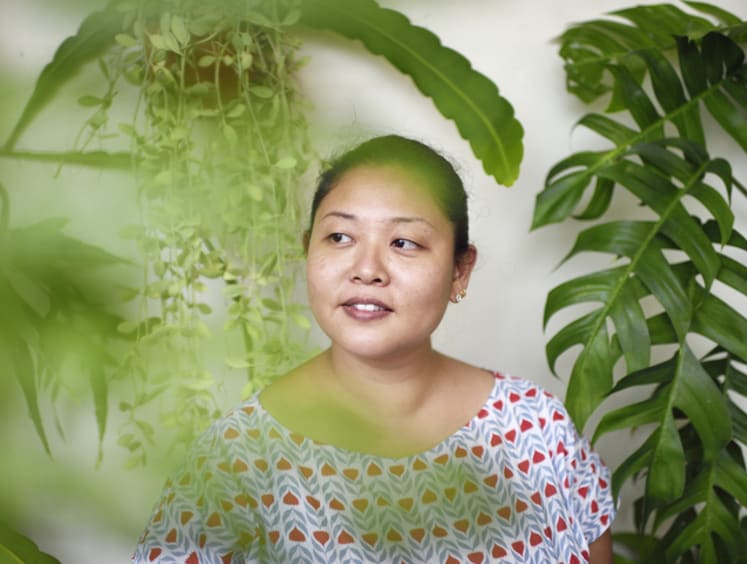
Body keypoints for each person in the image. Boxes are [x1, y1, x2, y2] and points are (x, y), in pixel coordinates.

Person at [132, 135, 615, 563]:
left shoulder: (536, 430)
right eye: (339, 237)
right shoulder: (235, 463)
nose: (367, 269)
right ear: (308, 251)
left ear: (459, 271)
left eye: (404, 242)